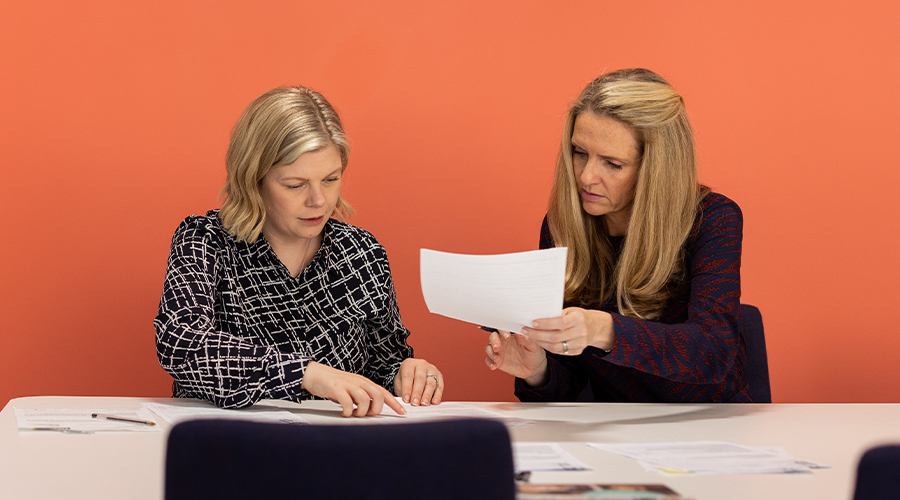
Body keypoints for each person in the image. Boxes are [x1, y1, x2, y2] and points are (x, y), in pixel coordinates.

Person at [154, 86, 443, 416]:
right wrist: (305, 372)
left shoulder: (362, 253)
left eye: (331, 179)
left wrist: (410, 374)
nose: (318, 200)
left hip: (337, 451)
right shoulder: (205, 241)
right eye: (295, 185)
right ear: (254, 179)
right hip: (230, 447)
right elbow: (182, 344)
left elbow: (385, 363)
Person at [484, 68, 751, 403]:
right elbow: (574, 383)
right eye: (579, 152)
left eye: (612, 163)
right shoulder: (562, 226)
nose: (586, 177)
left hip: (709, 424)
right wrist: (539, 370)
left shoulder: (712, 218)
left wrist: (603, 329)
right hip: (614, 429)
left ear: (657, 169)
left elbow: (712, 353)